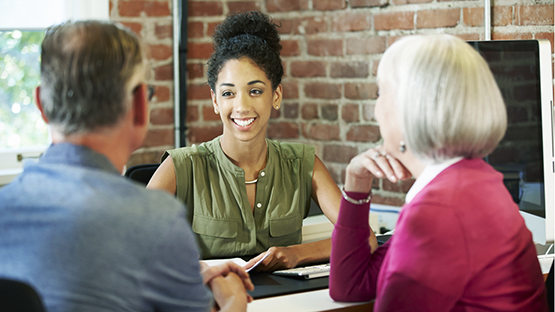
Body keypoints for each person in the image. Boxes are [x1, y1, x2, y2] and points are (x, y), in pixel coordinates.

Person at [0, 20, 253, 312]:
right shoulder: (155, 221)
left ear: (41, 104)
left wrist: (184, 278)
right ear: (140, 107)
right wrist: (234, 300)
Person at [329, 34, 548, 311]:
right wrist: (356, 181)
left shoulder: (439, 210)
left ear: (407, 107)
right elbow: (351, 285)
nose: (375, 111)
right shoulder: (471, 180)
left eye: (380, 93)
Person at [147, 11, 352, 271]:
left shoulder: (304, 163)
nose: (241, 106)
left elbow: (361, 237)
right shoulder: (180, 166)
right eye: (228, 93)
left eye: (255, 91)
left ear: (276, 95)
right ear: (214, 100)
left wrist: (296, 254)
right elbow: (131, 247)